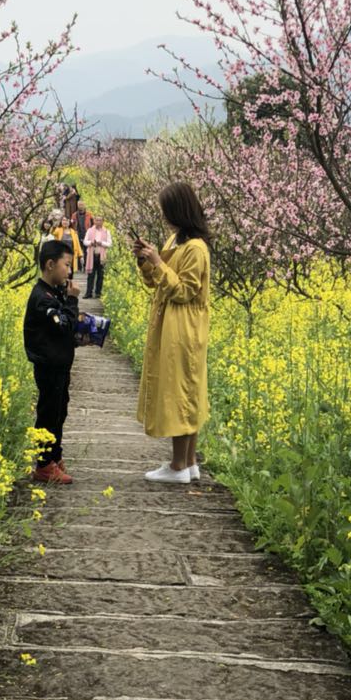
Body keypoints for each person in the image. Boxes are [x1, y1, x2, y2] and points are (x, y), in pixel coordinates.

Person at [134, 182, 211, 484]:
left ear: (179, 210)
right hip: (171, 324)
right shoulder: (177, 240)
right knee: (186, 390)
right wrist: (145, 262)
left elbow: (184, 291)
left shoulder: (196, 248)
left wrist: (157, 262)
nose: (164, 216)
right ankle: (189, 463)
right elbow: (158, 282)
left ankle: (178, 465)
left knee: (183, 392)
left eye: (167, 211)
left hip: (184, 327)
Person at [24, 239, 81, 485]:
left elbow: (64, 330)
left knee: (59, 412)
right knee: (48, 414)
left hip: (59, 365)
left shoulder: (52, 294)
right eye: (66, 265)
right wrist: (72, 301)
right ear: (50, 265)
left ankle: (54, 457)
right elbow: (64, 324)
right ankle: (44, 464)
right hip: (48, 366)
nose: (69, 272)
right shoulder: (41, 298)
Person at [84, 215, 112, 300]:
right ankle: (88, 293)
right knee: (91, 275)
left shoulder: (106, 231)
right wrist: (91, 243)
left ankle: (98, 293)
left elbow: (110, 243)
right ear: (94, 221)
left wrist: (101, 243)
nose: (98, 222)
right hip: (92, 255)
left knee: (100, 275)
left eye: (100, 220)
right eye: (96, 220)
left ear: (103, 221)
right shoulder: (90, 230)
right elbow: (85, 241)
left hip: (101, 255)